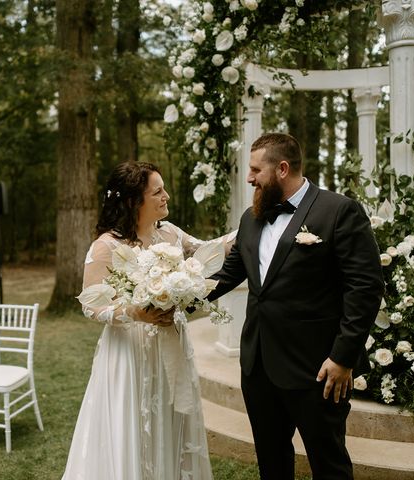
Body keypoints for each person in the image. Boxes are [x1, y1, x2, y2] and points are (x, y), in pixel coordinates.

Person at [207, 132, 384, 480]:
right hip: (258, 366)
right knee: (271, 462)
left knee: (328, 462)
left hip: (316, 369)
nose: (249, 178)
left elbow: (365, 287)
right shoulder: (251, 217)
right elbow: (226, 277)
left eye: (257, 170)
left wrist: (342, 357)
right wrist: (173, 297)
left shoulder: (338, 211)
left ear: (282, 169)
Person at [62, 161, 234, 480]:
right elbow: (91, 305)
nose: (166, 196)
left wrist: (248, 226)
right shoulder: (106, 246)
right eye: (157, 191)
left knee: (168, 424)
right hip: (129, 355)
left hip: (170, 347)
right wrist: (134, 313)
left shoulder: (169, 233)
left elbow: (208, 251)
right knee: (131, 428)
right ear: (132, 202)